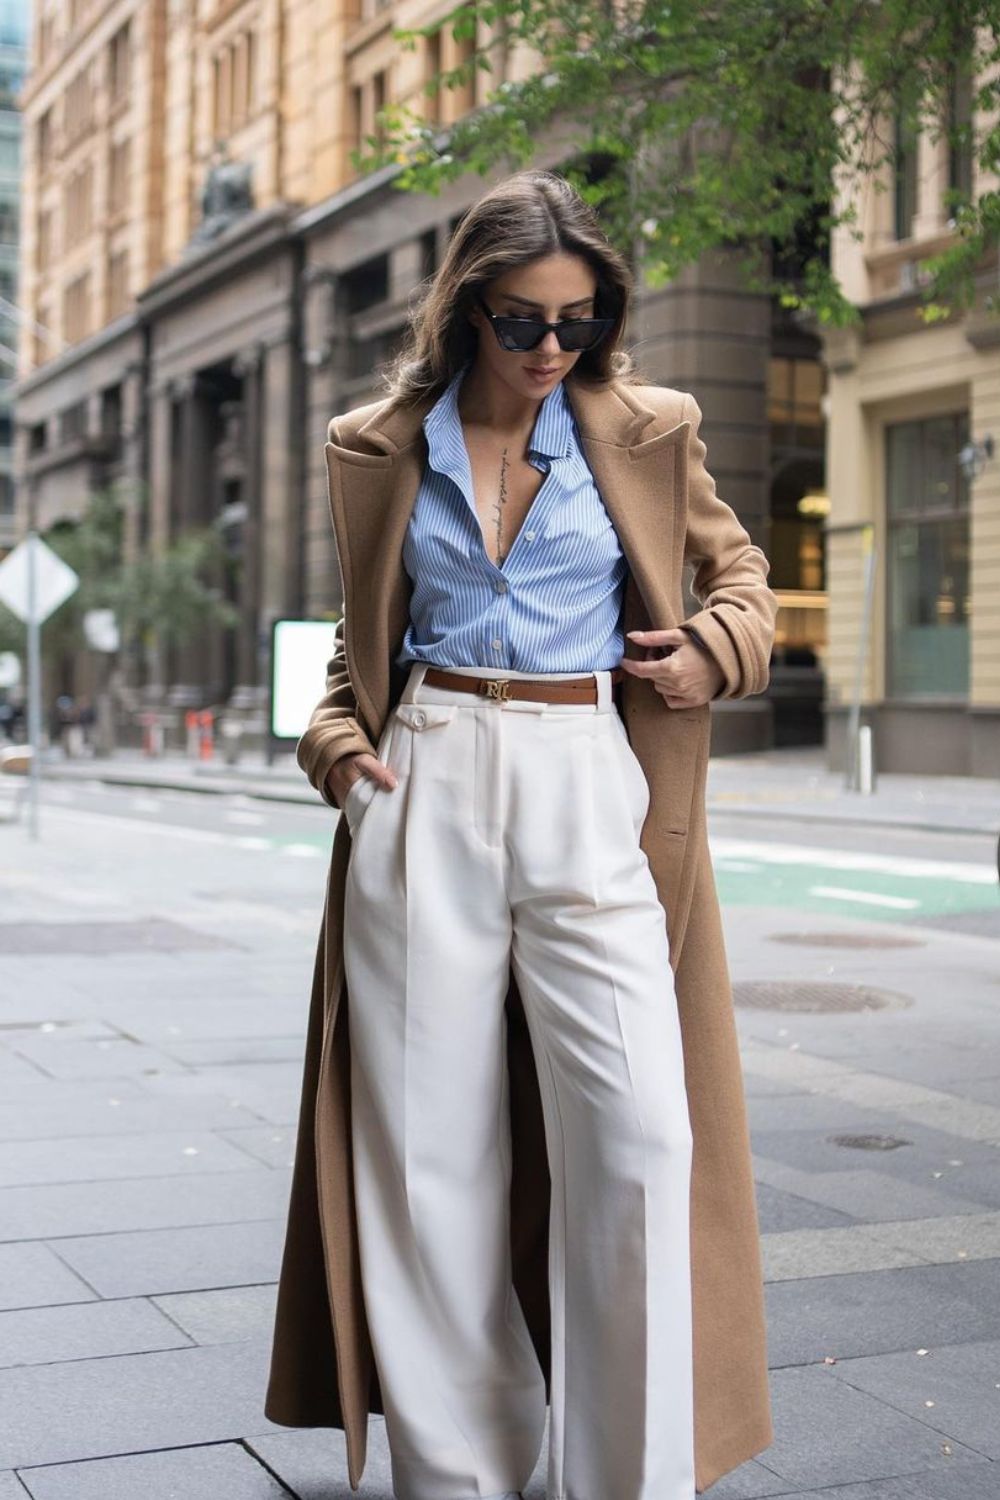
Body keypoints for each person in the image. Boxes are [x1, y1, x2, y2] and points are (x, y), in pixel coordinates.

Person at [265, 169, 778, 1500]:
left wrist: (711, 653)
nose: (552, 348)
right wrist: (339, 751)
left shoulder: (648, 427)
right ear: (466, 310)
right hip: (425, 773)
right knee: (429, 1158)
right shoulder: (380, 440)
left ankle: (629, 1480)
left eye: (578, 319)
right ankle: (468, 1476)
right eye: (522, 321)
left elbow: (744, 582)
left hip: (582, 773)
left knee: (641, 1137)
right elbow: (355, 646)